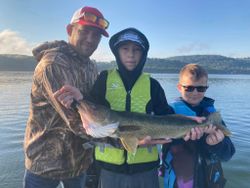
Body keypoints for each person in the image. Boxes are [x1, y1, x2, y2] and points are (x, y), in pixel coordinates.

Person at [55, 27, 174, 188]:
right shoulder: (104, 79)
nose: (131, 54)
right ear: (117, 52)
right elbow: (89, 110)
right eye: (125, 49)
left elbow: (168, 117)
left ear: (143, 54)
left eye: (136, 50)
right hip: (108, 169)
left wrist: (189, 127)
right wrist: (78, 99)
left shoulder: (153, 85)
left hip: (146, 169)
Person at [23, 6, 109, 188]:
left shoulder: (90, 66)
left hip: (78, 163)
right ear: (70, 30)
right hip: (44, 166)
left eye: (96, 35)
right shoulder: (53, 64)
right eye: (84, 31)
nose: (90, 39)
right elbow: (78, 122)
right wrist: (128, 137)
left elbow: (93, 105)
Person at [160, 64, 235, 188]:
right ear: (179, 87)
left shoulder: (211, 115)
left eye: (200, 88)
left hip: (209, 181)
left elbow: (228, 154)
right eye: (189, 88)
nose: (195, 93)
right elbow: (161, 138)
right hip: (179, 182)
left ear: (206, 88)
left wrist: (217, 144)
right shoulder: (169, 112)